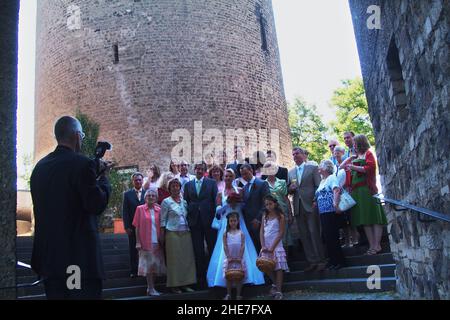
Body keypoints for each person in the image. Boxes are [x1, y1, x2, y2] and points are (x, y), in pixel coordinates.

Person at [30, 116, 111, 299]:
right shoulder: (82, 164)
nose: (82, 139)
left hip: (49, 261)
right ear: (76, 136)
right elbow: (96, 204)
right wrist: (104, 179)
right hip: (76, 261)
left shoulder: (39, 168)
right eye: (81, 135)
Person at [340, 134, 387, 255]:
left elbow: (370, 168)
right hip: (357, 191)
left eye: (355, 143)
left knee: (375, 217)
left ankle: (377, 245)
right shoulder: (355, 156)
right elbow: (341, 166)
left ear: (360, 143)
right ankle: (371, 245)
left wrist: (354, 167)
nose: (353, 145)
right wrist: (350, 161)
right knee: (365, 219)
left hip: (367, 189)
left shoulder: (368, 153)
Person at [207, 192, 264, 289]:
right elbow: (218, 211)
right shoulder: (226, 206)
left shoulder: (240, 206)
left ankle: (247, 276)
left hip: (240, 227)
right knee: (224, 247)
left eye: (235, 201)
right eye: (231, 201)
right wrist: (218, 205)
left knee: (244, 247)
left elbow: (246, 208)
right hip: (228, 228)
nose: (233, 203)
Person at [287, 147, 326, 272]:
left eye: (297, 153)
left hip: (311, 204)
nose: (294, 156)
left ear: (303, 155)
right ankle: (312, 261)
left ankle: (321, 260)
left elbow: (318, 186)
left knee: (314, 232)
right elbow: (288, 191)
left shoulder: (312, 168)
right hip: (298, 206)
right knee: (304, 235)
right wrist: (290, 189)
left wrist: (315, 200)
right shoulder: (290, 172)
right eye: (293, 154)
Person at [183, 161, 218, 286]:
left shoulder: (212, 183)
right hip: (194, 221)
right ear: (194, 170)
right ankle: (201, 275)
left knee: (211, 246)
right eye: (197, 168)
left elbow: (215, 202)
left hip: (208, 220)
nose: (198, 170)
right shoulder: (188, 185)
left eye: (201, 168)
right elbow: (185, 203)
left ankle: (212, 273)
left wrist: (216, 217)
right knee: (198, 249)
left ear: (204, 170)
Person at [160, 178, 196, 293]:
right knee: (174, 261)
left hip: (186, 232)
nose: (175, 188)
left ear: (180, 188)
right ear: (169, 189)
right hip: (172, 233)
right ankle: (174, 285)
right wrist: (162, 234)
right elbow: (162, 220)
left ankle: (185, 284)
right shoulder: (166, 202)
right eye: (173, 186)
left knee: (186, 259)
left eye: (177, 186)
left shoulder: (184, 201)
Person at [133, 189, 165, 296]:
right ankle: (150, 289)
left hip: (157, 242)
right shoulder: (140, 209)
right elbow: (136, 227)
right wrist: (137, 242)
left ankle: (152, 288)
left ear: (156, 198)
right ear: (145, 198)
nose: (151, 197)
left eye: (153, 195)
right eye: (148, 195)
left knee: (155, 266)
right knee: (149, 267)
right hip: (145, 241)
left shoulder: (159, 209)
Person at [315, 160, 346, 270]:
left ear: (326, 168)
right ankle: (333, 260)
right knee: (328, 238)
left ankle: (339, 261)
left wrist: (335, 204)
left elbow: (336, 190)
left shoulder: (331, 178)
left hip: (331, 211)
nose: (319, 168)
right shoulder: (322, 181)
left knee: (333, 237)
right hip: (323, 213)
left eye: (320, 166)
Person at [260, 195, 289, 300]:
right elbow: (262, 231)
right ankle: (275, 284)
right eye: (266, 204)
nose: (268, 206)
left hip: (276, 245)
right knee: (266, 267)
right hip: (266, 245)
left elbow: (281, 233)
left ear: (275, 204)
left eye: (270, 204)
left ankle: (279, 290)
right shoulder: (264, 216)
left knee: (278, 267)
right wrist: (263, 245)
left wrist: (272, 247)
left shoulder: (280, 216)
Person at [262, 161, 294, 253]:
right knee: (273, 237)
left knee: (284, 237)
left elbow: (286, 198)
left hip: (283, 211)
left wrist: (290, 214)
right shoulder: (263, 184)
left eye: (272, 168)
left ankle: (285, 263)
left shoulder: (282, 182)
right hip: (270, 214)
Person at [240, 163, 270, 252]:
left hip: (260, 222)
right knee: (254, 248)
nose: (244, 176)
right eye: (242, 175)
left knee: (264, 246)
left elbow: (266, 203)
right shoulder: (244, 188)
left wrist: (258, 219)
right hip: (248, 223)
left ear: (251, 171)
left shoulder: (262, 183)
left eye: (246, 173)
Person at [334, 146, 360, 247]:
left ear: (343, 152)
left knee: (351, 218)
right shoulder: (335, 166)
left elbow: (349, 175)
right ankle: (347, 241)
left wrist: (344, 185)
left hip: (347, 193)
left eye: (338, 152)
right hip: (339, 195)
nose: (336, 153)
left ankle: (355, 239)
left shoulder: (347, 163)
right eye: (335, 152)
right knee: (343, 221)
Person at [122, 172, 146, 277]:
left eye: (140, 180)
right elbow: (125, 212)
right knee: (133, 248)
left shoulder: (147, 193)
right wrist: (127, 226)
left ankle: (145, 269)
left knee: (145, 248)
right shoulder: (127, 194)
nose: (138, 181)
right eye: (136, 180)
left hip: (146, 226)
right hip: (132, 227)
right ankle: (133, 270)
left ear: (142, 181)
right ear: (133, 181)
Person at [223, 212, 245, 300]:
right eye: (231, 221)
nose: (233, 223)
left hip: (238, 258)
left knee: (239, 276)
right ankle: (228, 294)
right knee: (229, 276)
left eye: (234, 221)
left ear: (238, 221)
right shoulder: (226, 233)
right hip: (230, 258)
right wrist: (228, 256)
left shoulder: (241, 233)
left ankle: (238, 294)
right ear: (228, 222)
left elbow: (243, 245)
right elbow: (225, 245)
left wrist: (240, 256)